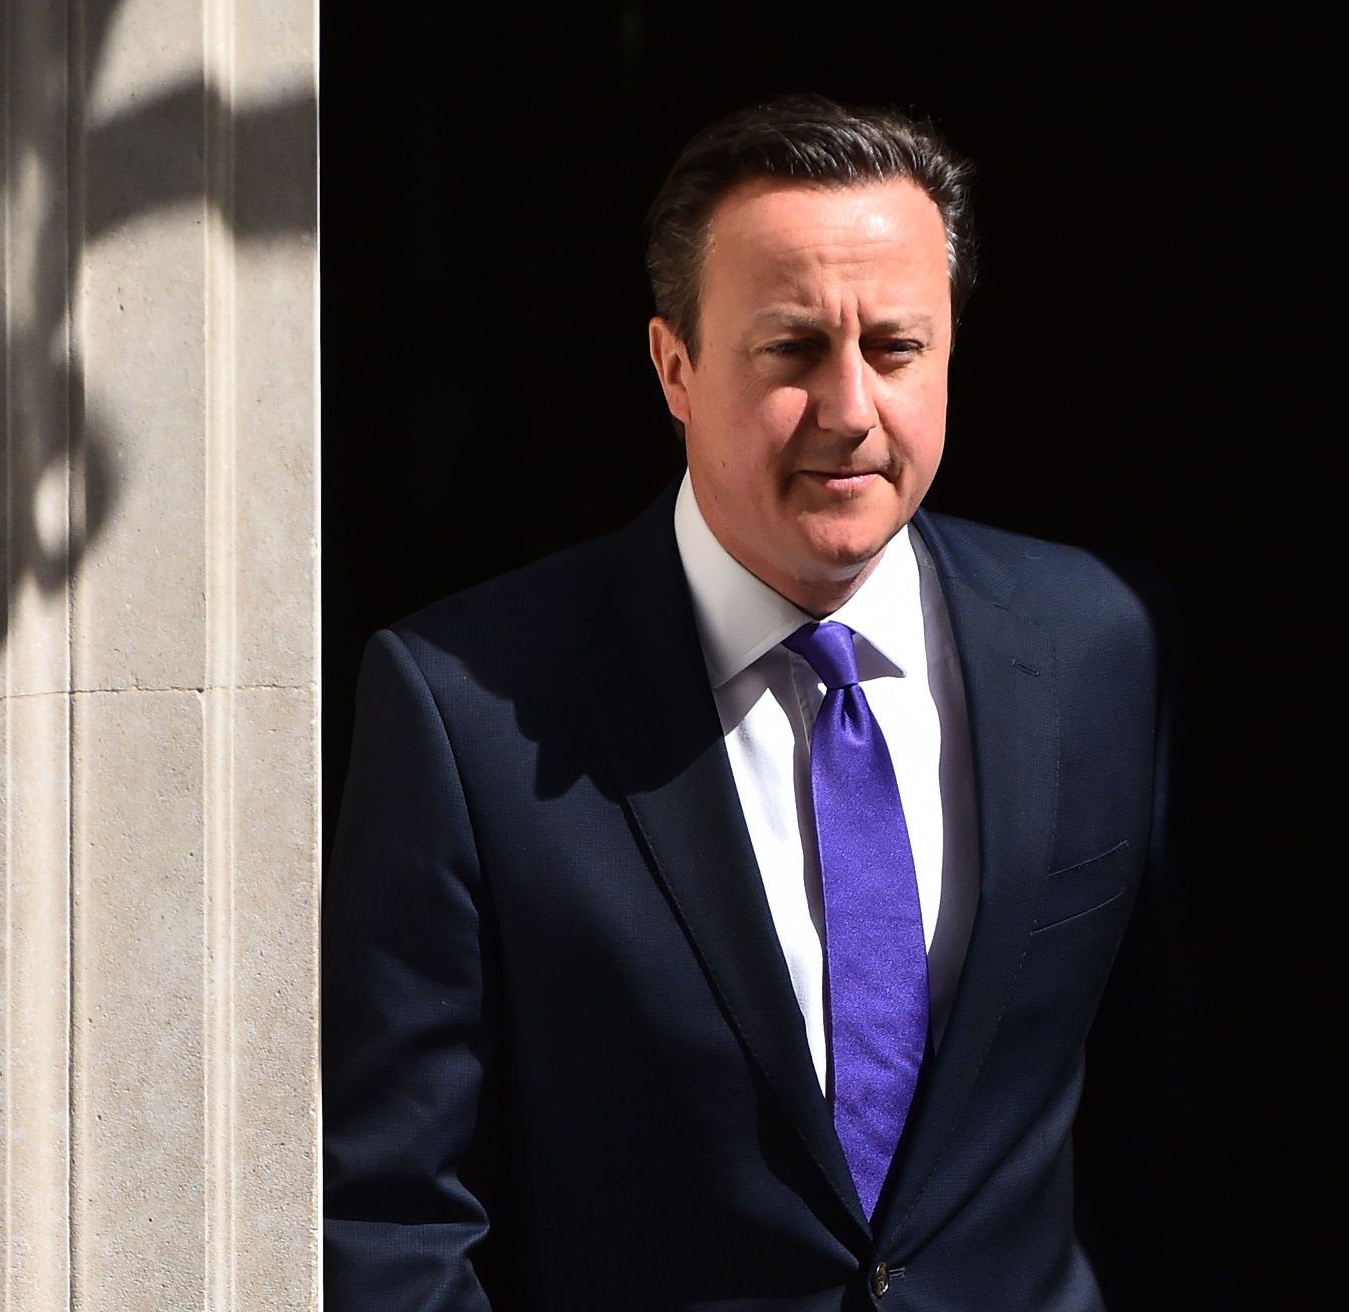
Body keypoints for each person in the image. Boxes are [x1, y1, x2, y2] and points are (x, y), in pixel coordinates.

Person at [323, 95, 1241, 1311]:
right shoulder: (463, 706)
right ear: (676, 368)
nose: (851, 408)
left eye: (897, 348)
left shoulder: (1100, 640)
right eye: (792, 349)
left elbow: (1163, 1141)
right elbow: (391, 1218)